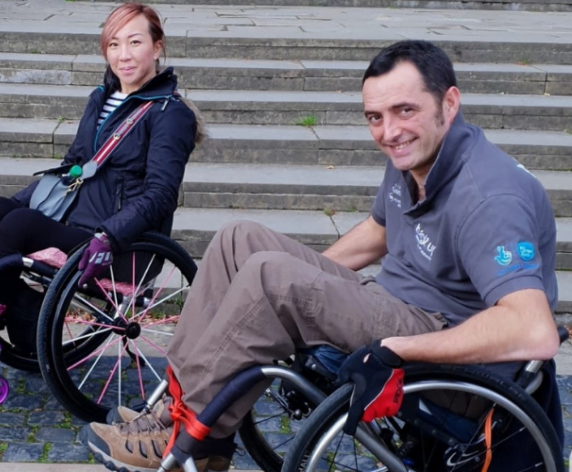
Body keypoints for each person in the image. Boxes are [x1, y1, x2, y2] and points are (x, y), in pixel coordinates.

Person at [80, 39, 564, 472]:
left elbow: (532, 330)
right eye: (375, 117)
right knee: (238, 242)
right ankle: (182, 419)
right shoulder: (417, 157)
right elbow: (379, 230)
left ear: (449, 103)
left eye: (404, 111)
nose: (389, 132)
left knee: (272, 278)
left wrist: (395, 347)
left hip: (449, 355)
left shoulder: (489, 198)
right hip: (394, 306)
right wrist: (304, 284)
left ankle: (187, 435)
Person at [0, 2, 203, 367]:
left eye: (135, 42)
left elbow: (161, 195)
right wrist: (18, 200)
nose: (124, 55)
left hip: (122, 246)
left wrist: (110, 235)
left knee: (18, 225)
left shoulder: (170, 113)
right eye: (114, 44)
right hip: (77, 226)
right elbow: (73, 169)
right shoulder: (101, 99)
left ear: (158, 46)